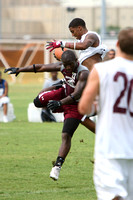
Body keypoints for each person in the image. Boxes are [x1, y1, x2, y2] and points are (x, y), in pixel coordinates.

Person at [4, 50, 95, 181]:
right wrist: (20, 69)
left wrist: (59, 103)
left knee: (66, 135)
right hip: (64, 93)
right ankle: (59, 87)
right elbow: (40, 67)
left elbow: (77, 93)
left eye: (70, 64)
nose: (68, 68)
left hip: (76, 103)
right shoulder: (63, 66)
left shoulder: (83, 72)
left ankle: (57, 167)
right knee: (37, 102)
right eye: (66, 65)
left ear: (76, 61)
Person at [78, 27, 133, 200]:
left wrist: (97, 106)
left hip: (110, 148)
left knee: (112, 196)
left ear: (117, 45)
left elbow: (84, 108)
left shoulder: (102, 70)